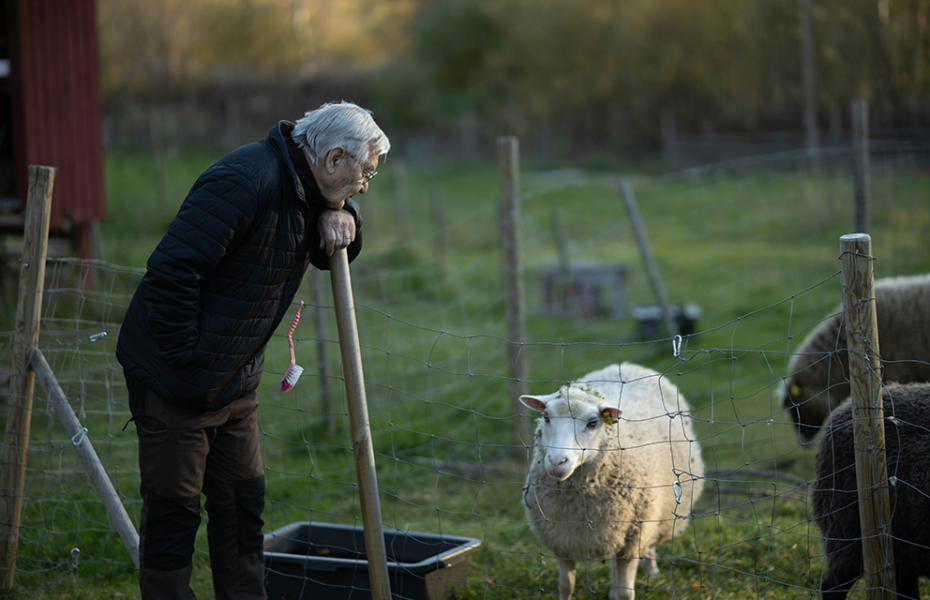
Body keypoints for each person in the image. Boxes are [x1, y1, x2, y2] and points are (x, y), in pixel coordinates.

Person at [116, 101, 391, 600]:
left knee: (243, 507)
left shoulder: (310, 187)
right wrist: (190, 361)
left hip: (234, 384)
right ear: (332, 159)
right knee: (174, 514)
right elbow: (172, 273)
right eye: (364, 173)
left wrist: (346, 213)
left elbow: (336, 249)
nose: (366, 184)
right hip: (175, 380)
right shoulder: (246, 180)